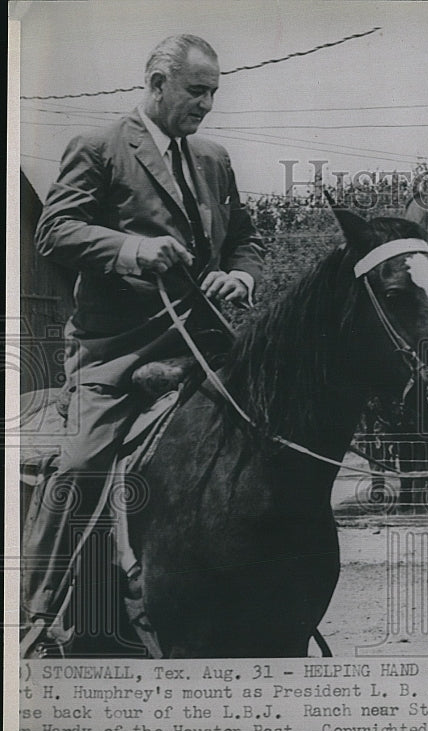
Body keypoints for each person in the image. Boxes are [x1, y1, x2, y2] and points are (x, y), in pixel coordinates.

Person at [23, 34, 265, 648]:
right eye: (196, 90)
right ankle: (38, 611)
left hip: (207, 341)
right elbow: (54, 231)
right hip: (117, 350)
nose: (207, 104)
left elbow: (245, 236)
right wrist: (133, 248)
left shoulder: (212, 158)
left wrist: (238, 272)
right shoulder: (100, 147)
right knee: (80, 465)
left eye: (213, 92)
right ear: (157, 84)